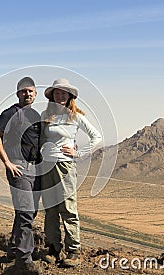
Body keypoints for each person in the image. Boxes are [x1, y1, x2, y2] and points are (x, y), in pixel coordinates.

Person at [40, 78, 102, 267]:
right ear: (52, 96)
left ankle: (73, 250)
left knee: (67, 207)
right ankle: (53, 248)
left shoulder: (76, 116)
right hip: (46, 165)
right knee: (50, 209)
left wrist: (79, 152)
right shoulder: (46, 115)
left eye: (63, 93)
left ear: (69, 97)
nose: (60, 96)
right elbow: (42, 138)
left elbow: (96, 136)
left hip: (65, 165)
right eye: (57, 93)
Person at [0, 76, 42, 274]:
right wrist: (7, 162)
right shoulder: (11, 113)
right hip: (19, 168)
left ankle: (13, 247)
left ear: (35, 94)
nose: (27, 94)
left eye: (30, 91)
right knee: (26, 211)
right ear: (17, 94)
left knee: (28, 211)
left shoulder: (35, 114)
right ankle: (24, 258)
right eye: (23, 91)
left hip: (35, 168)